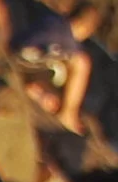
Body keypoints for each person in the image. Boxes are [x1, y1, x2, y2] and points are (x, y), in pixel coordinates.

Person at [11, 1, 99, 129]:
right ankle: (68, 114)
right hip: (30, 63)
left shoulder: (54, 21)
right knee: (81, 63)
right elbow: (75, 59)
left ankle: (38, 91)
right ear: (85, 29)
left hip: (20, 54)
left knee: (57, 77)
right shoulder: (67, 38)